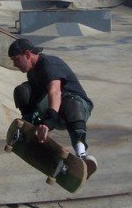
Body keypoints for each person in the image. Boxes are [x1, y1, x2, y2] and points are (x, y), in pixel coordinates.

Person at [8, 38, 97, 174]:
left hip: (76, 110)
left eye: (16, 59)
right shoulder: (32, 72)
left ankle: (81, 153)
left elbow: (54, 92)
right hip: (55, 111)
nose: (14, 64)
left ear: (27, 55)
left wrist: (48, 121)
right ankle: (30, 132)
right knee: (23, 90)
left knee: (70, 102)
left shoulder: (49, 64)